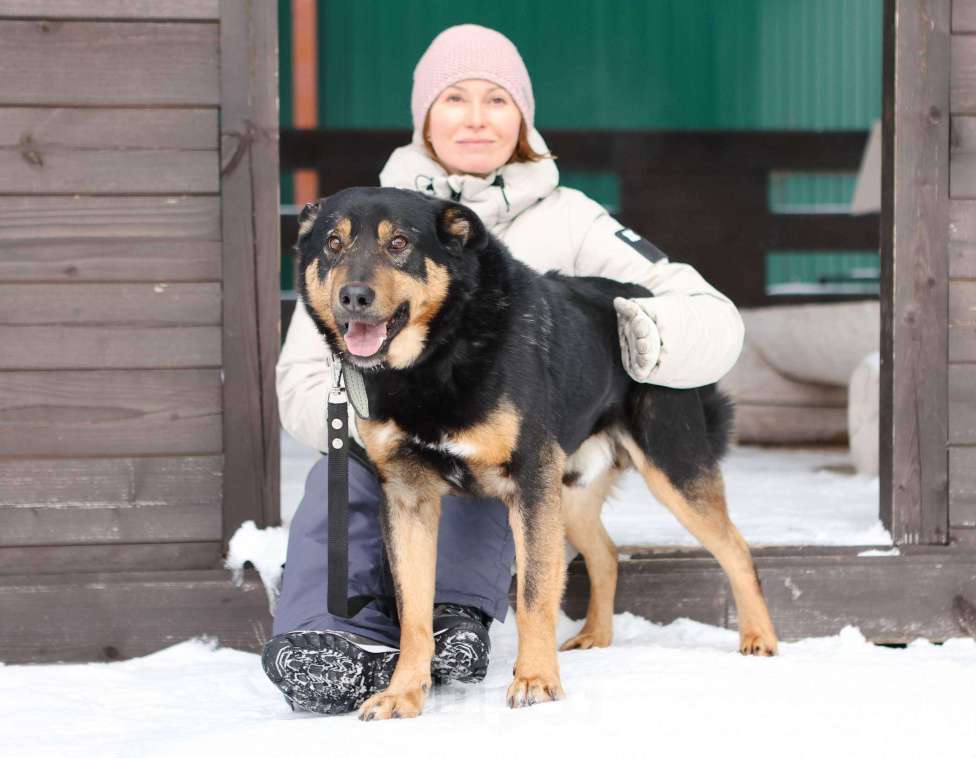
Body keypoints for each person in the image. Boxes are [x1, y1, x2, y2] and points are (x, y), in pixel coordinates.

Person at [262, 24, 745, 716]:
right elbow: (300, 383)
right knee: (347, 472)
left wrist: (640, 335)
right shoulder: (359, 220)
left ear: (522, 117)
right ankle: (328, 632)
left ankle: (458, 616)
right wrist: (367, 411)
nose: (476, 117)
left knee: (493, 461)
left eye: (496, 99)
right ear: (425, 115)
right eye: (454, 98)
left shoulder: (573, 218)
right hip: (389, 437)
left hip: (507, 443)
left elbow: (712, 315)